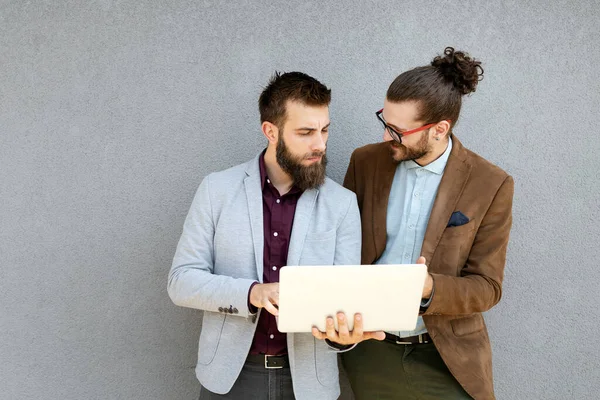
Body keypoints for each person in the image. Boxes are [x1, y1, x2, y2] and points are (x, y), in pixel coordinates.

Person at [321, 47, 514, 399]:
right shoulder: (365, 162)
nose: (385, 137)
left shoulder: (491, 183)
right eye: (384, 121)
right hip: (371, 352)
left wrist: (429, 289)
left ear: (440, 129)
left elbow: (488, 287)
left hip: (447, 357)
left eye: (398, 131)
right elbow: (342, 254)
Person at [168, 71, 372, 400]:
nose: (319, 144)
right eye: (306, 132)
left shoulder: (343, 204)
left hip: (309, 383)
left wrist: (343, 335)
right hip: (231, 378)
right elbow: (181, 282)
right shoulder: (216, 190)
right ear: (270, 131)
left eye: (324, 130)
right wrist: (252, 293)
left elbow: (343, 303)